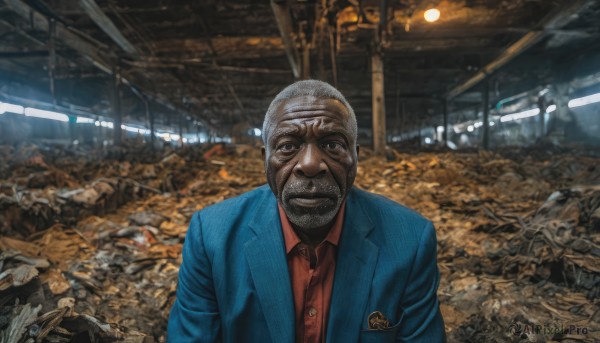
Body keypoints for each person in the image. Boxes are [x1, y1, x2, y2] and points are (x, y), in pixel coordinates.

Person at [167, 80, 446, 342]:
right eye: (288, 146)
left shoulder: (410, 240)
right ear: (265, 159)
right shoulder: (212, 237)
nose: (311, 164)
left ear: (355, 157)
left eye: (332, 145)